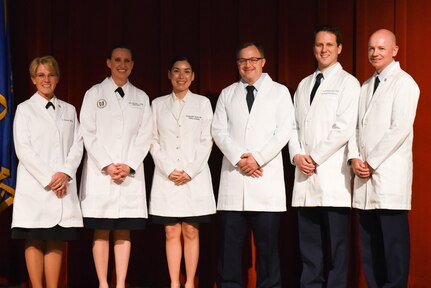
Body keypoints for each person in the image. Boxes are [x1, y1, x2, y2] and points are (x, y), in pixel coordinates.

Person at [211, 41, 294, 287]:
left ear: (263, 62)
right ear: (237, 64)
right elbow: (219, 131)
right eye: (242, 61)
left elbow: (284, 131)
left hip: (264, 178)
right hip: (234, 179)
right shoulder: (227, 93)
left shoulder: (279, 92)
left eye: (253, 60)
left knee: (267, 249)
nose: (248, 65)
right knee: (229, 247)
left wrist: (257, 158)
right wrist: (239, 158)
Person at [288, 25, 360, 287]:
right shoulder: (304, 84)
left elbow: (343, 127)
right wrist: (297, 155)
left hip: (331, 176)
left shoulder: (348, 83)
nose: (324, 49)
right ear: (313, 48)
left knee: (337, 247)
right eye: (319, 44)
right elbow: (293, 125)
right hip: (305, 175)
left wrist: (314, 157)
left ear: (339, 48)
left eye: (330, 45)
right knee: (309, 247)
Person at [348, 29, 420, 287]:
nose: (374, 53)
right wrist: (355, 158)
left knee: (393, 249)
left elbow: (399, 128)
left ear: (394, 50)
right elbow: (355, 127)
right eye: (371, 49)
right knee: (371, 249)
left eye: (380, 48)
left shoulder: (405, 83)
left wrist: (371, 162)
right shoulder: (366, 86)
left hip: (388, 179)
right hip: (364, 179)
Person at [79, 45, 152, 288]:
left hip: (128, 175)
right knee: (101, 230)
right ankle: (103, 283)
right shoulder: (93, 94)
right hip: (102, 175)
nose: (123, 64)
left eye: (127, 61)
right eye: (118, 60)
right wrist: (108, 165)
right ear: (108, 62)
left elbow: (145, 135)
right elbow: (88, 133)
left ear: (132, 64)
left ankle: (120, 283)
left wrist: (128, 165)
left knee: (123, 231)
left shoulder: (141, 97)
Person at [11, 56, 83, 288]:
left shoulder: (69, 110)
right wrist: (50, 178)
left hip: (63, 185)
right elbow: (23, 149)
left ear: (58, 78)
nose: (46, 79)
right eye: (41, 75)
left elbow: (77, 145)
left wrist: (65, 173)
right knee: (34, 236)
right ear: (33, 79)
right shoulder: (24, 109)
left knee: (55, 237)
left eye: (50, 74)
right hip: (36, 187)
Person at [149, 56, 216, 288]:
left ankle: (189, 283)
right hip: (166, 177)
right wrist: (169, 169)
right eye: (176, 71)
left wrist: (189, 171)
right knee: (170, 231)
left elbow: (207, 140)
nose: (181, 76)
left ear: (193, 76)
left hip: (193, 177)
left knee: (190, 230)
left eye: (187, 71)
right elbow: (153, 140)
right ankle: (174, 282)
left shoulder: (202, 104)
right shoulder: (157, 104)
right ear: (169, 74)